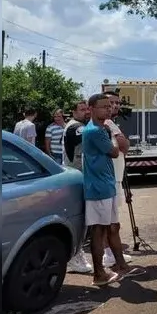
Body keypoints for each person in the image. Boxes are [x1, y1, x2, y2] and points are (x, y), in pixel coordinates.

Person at [82, 93, 144, 285]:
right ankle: (99, 274)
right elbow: (116, 151)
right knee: (99, 231)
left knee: (113, 227)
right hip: (98, 188)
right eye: (103, 106)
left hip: (107, 185)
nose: (108, 109)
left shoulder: (102, 129)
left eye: (109, 106)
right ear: (91, 109)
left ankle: (121, 266)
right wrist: (112, 136)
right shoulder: (94, 131)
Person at [102, 90, 133, 268]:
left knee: (112, 220)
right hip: (109, 179)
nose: (115, 106)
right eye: (111, 103)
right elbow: (124, 146)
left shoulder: (111, 123)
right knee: (109, 222)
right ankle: (109, 256)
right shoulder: (107, 123)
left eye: (117, 103)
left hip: (114, 179)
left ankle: (111, 254)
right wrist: (124, 142)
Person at [64, 99, 94, 274]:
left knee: (85, 218)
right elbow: (92, 134)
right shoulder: (76, 127)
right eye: (82, 109)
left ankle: (77, 253)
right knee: (80, 218)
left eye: (86, 109)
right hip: (76, 177)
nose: (85, 112)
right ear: (74, 112)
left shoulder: (77, 126)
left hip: (80, 177)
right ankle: (75, 257)